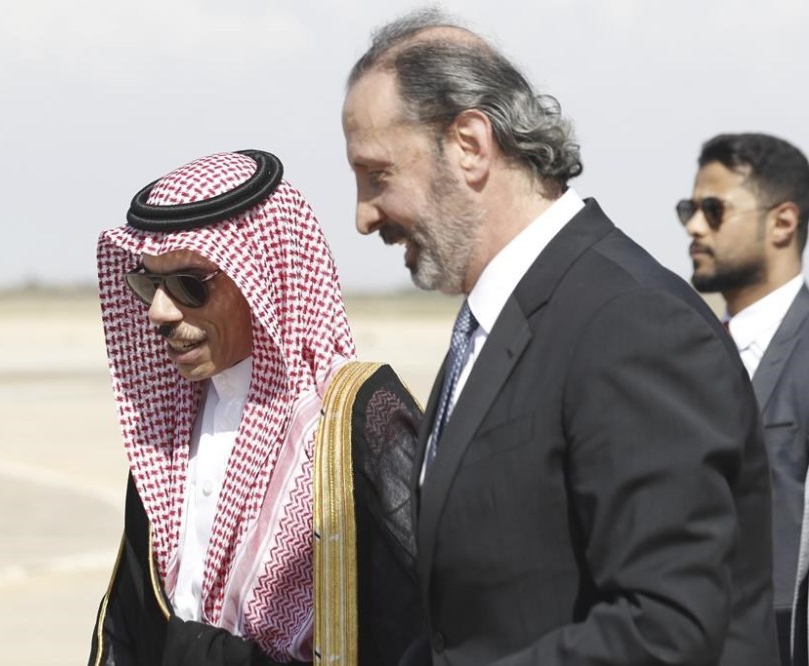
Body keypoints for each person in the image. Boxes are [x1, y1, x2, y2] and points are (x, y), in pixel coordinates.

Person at [341, 9, 779, 665]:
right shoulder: (495, 321)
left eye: (377, 175)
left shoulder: (630, 324)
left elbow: (666, 631)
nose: (362, 216)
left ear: (469, 144)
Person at [86, 149, 422, 665]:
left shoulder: (352, 421)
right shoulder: (167, 433)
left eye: (187, 285)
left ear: (263, 278)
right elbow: (133, 627)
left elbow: (422, 632)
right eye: (149, 283)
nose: (158, 311)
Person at [678, 132, 809, 666]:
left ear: (782, 222)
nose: (692, 226)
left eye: (714, 210)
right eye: (689, 208)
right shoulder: (687, 351)